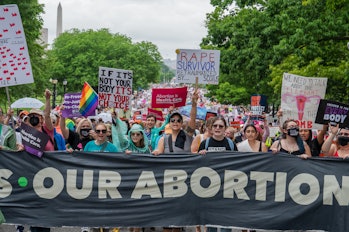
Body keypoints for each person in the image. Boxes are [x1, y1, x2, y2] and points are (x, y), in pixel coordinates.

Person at [153, 90, 198, 155]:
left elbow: (193, 119)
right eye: (173, 120)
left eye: (178, 120)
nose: (175, 122)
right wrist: (156, 152)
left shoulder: (188, 135)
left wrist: (194, 104)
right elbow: (159, 154)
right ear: (169, 123)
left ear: (182, 123)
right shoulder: (163, 140)